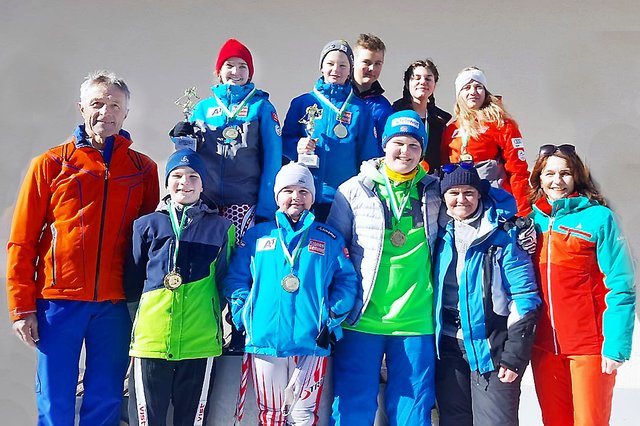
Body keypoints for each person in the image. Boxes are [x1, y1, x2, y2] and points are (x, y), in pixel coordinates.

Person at [6, 70, 159, 425]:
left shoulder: (143, 170)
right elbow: (22, 239)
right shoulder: (50, 164)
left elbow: (149, 241)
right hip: (58, 301)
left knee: (105, 394)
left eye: (115, 105)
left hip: (115, 303)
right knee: (55, 394)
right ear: (81, 108)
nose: (106, 111)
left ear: (125, 114)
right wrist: (21, 306)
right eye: (97, 103)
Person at [328, 110, 440, 425]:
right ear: (384, 143)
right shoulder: (353, 190)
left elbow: (476, 205)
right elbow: (334, 252)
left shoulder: (435, 192)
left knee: (413, 409)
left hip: (416, 319)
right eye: (398, 143)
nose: (405, 152)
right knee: (353, 405)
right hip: (363, 316)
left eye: (414, 146)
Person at [223, 162, 358, 425]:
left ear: (312, 198)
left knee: (303, 415)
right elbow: (236, 278)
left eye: (303, 191)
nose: (295, 197)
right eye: (288, 191)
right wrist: (245, 314)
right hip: (265, 339)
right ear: (277, 197)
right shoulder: (257, 237)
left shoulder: (328, 238)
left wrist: (330, 317)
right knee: (270, 415)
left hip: (311, 341)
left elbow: (347, 282)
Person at [171, 38, 283, 352]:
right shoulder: (204, 108)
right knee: (205, 266)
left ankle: (240, 332)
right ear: (218, 71)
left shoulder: (262, 106)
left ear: (251, 71)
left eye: (242, 66)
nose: (235, 71)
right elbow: (187, 156)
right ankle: (206, 331)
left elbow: (273, 159)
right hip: (206, 205)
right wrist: (179, 137)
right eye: (229, 66)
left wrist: (265, 207)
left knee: (241, 266)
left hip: (244, 204)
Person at [527, 144, 636, 426]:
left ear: (577, 177)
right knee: (554, 421)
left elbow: (621, 285)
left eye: (565, 173)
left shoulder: (599, 218)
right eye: (549, 173)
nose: (557, 181)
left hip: (589, 347)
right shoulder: (530, 220)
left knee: (589, 421)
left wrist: (615, 346)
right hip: (544, 348)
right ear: (539, 178)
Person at [125, 150, 234, 426]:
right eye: (177, 176)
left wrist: (214, 319)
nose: (184, 182)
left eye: (193, 177)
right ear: (166, 182)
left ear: (202, 184)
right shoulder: (145, 226)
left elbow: (224, 281)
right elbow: (132, 284)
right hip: (151, 343)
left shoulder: (222, 229)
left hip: (200, 343)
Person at [433, 163, 541, 426]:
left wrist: (515, 355)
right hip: (448, 348)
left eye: (469, 192)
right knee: (454, 420)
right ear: (443, 196)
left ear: (480, 194)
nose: (461, 200)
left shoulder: (503, 235)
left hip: (492, 349)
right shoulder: (438, 233)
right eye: (454, 193)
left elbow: (525, 295)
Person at [282, 39, 379, 222]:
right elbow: (284, 142)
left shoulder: (360, 110)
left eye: (343, 65)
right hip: (304, 195)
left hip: (342, 197)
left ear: (350, 70)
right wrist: (297, 146)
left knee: (336, 246)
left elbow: (369, 156)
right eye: (330, 64)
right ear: (321, 67)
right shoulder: (302, 103)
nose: (336, 70)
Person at [441, 67, 530, 215]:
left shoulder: (502, 124)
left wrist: (523, 212)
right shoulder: (451, 129)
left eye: (478, 87)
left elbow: (518, 171)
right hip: (462, 204)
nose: (473, 92)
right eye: (466, 87)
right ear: (458, 94)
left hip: (494, 203)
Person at [391, 59, 452, 173]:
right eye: (417, 78)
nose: (423, 82)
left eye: (428, 78)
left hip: (431, 181)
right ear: (407, 83)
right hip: (401, 177)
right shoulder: (394, 114)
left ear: (434, 85)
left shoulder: (439, 120)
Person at [352, 33, 393, 150]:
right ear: (353, 61)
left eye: (378, 64)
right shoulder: (339, 97)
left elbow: (385, 148)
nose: (372, 69)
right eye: (366, 62)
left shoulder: (383, 107)